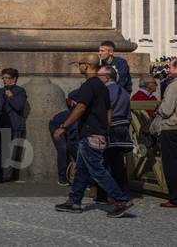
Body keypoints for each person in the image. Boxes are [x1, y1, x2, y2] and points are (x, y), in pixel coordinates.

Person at [53, 53, 134, 217]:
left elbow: (80, 108)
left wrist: (63, 126)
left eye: (80, 63)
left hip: (91, 133)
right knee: (82, 170)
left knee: (98, 170)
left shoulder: (89, 85)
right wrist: (106, 128)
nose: (79, 66)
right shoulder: (102, 86)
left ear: (88, 66)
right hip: (98, 132)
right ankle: (74, 201)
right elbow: (108, 110)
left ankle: (121, 199)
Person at [95, 65, 132, 203]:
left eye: (99, 76)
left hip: (109, 129)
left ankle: (103, 195)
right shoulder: (124, 91)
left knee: (103, 163)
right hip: (122, 130)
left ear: (106, 77)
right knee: (117, 163)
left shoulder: (104, 91)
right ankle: (121, 190)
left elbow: (103, 110)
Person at [0, 67, 27, 182]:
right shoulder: (0, 91)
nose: (4, 80)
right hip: (3, 124)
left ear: (14, 79)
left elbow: (19, 107)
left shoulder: (20, 91)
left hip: (15, 125)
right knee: (2, 151)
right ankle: (2, 173)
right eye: (3, 78)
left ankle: (7, 176)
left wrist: (11, 97)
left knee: (11, 152)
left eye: (7, 78)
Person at [157, 58, 177, 208]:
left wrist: (159, 109)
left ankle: (175, 197)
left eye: (170, 67)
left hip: (171, 127)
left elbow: (167, 109)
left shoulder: (173, 86)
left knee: (171, 164)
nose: (168, 70)